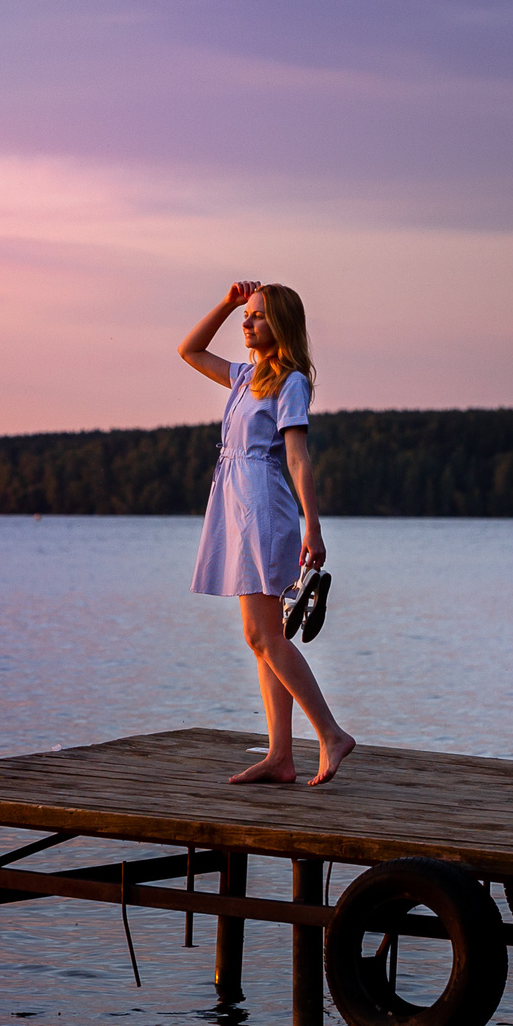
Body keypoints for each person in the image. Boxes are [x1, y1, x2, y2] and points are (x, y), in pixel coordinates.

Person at [179, 281, 356, 786]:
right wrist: (228, 302)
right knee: (260, 638)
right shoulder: (242, 377)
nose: (247, 323)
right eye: (247, 316)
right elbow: (189, 350)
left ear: (280, 325)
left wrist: (313, 527)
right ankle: (281, 756)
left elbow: (298, 457)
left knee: (263, 634)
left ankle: (331, 734)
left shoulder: (290, 382)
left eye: (257, 316)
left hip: (263, 506)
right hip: (235, 506)